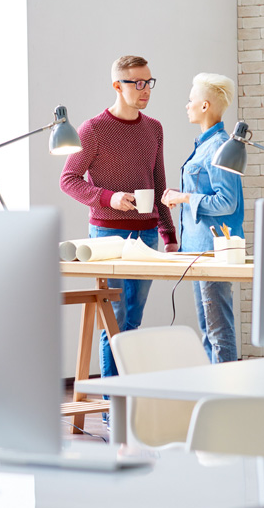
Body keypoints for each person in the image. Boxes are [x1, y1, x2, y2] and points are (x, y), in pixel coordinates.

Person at [60, 55, 178, 383]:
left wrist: (168, 234)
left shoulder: (154, 128)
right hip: (108, 236)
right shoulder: (93, 129)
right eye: (137, 83)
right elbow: (68, 178)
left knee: (132, 322)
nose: (145, 90)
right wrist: (110, 198)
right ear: (117, 85)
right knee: (114, 321)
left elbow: (158, 182)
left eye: (149, 82)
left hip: (147, 235)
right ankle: (114, 405)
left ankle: (125, 398)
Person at [161, 72, 242, 364]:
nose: (187, 105)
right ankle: (216, 395)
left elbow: (227, 202)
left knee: (218, 330)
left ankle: (227, 400)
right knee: (209, 330)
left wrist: (184, 198)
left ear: (205, 106)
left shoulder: (220, 147)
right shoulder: (204, 145)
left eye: (191, 99)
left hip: (212, 252)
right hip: (197, 251)